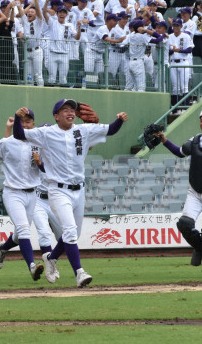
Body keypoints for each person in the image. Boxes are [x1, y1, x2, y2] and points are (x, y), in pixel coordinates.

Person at [14, 100, 128, 288]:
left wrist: (120, 121)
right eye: (64, 109)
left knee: (74, 233)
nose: (70, 112)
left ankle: (51, 258)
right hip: (58, 190)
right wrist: (18, 119)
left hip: (79, 189)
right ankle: (79, 273)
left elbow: (110, 130)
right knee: (69, 231)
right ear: (56, 116)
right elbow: (19, 134)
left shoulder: (83, 130)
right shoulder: (46, 133)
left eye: (72, 109)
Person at [157, 108, 202, 277]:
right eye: (201, 120)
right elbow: (180, 152)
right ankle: (200, 247)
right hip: (195, 190)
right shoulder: (194, 140)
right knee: (184, 224)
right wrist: (164, 141)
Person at [0, 111, 44, 281]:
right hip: (13, 192)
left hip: (32, 194)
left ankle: (3, 249)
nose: (25, 125)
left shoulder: (39, 143)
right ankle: (32, 267)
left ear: (33, 123)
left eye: (29, 121)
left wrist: (40, 163)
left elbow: (46, 169)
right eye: (22, 121)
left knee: (19, 235)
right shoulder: (7, 143)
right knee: (24, 229)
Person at [168, 17, 194, 106]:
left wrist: (178, 50)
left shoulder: (186, 36)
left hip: (183, 62)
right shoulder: (169, 36)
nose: (176, 27)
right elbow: (168, 51)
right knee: (175, 87)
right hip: (173, 62)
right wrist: (173, 50)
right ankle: (176, 107)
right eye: (174, 25)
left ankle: (185, 106)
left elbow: (189, 49)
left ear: (181, 26)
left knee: (184, 87)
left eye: (177, 25)